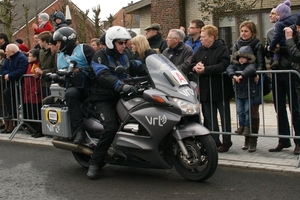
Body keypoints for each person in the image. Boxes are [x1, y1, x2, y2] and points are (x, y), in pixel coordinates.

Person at [87, 26, 146, 179]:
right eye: (120, 43)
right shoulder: (100, 56)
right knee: (111, 126)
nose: (124, 45)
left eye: (125, 42)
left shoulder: (125, 54)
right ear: (111, 42)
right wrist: (120, 85)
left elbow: (136, 66)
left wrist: (156, 69)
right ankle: (95, 162)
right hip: (103, 97)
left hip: (122, 95)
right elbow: (103, 75)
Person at [190, 25, 234, 152]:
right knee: (209, 117)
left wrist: (206, 70)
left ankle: (227, 141)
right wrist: (195, 67)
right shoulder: (200, 49)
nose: (201, 39)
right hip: (205, 90)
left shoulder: (222, 49)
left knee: (224, 117)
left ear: (212, 37)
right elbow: (192, 62)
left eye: (203, 37)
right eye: (201, 37)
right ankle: (214, 140)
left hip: (220, 88)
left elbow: (223, 65)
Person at [52, 27, 95, 144]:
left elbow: (97, 67)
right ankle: (79, 130)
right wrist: (56, 77)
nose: (57, 45)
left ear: (67, 41)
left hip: (90, 84)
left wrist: (79, 70)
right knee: (71, 94)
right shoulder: (59, 55)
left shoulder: (85, 49)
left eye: (59, 42)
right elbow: (60, 72)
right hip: (74, 86)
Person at [232, 20, 266, 152]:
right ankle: (246, 137)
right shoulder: (237, 44)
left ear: (252, 32)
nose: (243, 33)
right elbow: (234, 60)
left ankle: (253, 139)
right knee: (243, 109)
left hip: (253, 80)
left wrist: (256, 73)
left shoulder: (257, 43)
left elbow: (260, 61)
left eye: (246, 31)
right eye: (242, 31)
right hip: (241, 81)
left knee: (253, 109)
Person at [272, 15, 300, 155]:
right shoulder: (274, 31)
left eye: (274, 13)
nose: (272, 16)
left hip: (292, 73)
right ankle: (283, 140)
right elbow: (269, 50)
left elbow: (295, 53)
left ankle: (298, 141)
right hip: (278, 73)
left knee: (295, 109)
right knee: (279, 109)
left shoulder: (293, 31)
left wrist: (281, 46)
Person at [226, 46, 259, 138]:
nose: (241, 60)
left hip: (249, 92)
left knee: (247, 110)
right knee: (240, 110)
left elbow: (251, 69)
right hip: (239, 92)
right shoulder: (235, 65)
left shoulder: (251, 65)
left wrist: (241, 75)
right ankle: (241, 125)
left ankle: (247, 126)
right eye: (240, 58)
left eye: (243, 58)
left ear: (248, 58)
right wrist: (233, 75)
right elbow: (229, 68)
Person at [0, 44, 27, 134]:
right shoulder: (8, 59)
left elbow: (21, 70)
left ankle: (15, 122)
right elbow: (3, 70)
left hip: (20, 86)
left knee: (17, 102)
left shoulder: (21, 58)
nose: (5, 52)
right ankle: (9, 119)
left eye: (7, 51)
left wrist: (10, 75)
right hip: (11, 85)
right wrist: (7, 74)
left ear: (12, 51)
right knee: (7, 97)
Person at [267, 0, 299, 69]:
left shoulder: (290, 27)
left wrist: (278, 48)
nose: (270, 15)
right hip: (278, 68)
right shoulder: (270, 32)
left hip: (289, 65)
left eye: (273, 13)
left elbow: (295, 48)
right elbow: (268, 52)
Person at [22, 49, 43, 138]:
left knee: (36, 112)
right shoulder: (29, 65)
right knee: (31, 111)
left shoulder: (36, 65)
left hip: (34, 92)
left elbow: (38, 80)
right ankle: (34, 129)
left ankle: (39, 130)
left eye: (30, 56)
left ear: (35, 57)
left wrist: (37, 90)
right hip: (28, 91)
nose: (28, 57)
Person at [35, 31, 57, 100]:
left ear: (44, 41)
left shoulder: (53, 53)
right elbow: (40, 65)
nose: (38, 42)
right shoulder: (41, 52)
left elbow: (56, 68)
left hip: (52, 82)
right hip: (43, 82)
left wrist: (42, 72)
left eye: (39, 41)